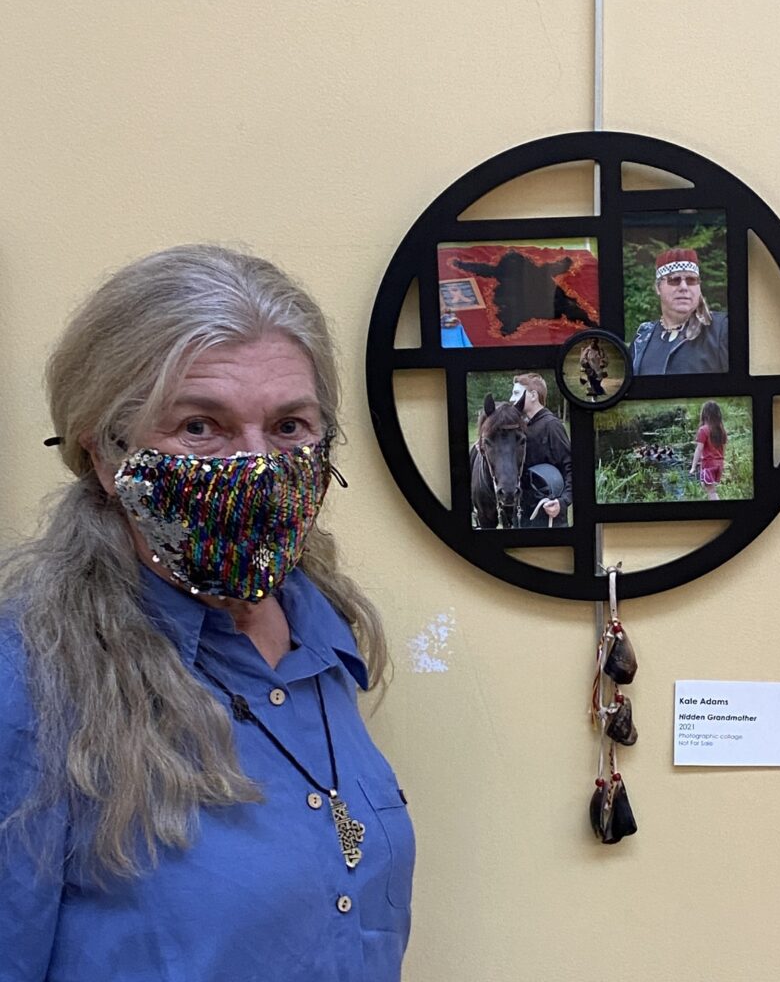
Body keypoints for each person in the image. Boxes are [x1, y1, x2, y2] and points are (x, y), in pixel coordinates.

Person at [0, 245, 414, 981]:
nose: (255, 465)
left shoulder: (323, 634)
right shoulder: (29, 682)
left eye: (290, 427)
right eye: (201, 427)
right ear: (105, 453)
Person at [630, 248, 729, 374]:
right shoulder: (642, 338)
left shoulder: (722, 329)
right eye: (674, 280)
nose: (684, 287)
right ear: (658, 288)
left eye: (691, 280)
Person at [509, 373, 572, 527]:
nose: (511, 399)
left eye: (516, 393)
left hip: (547, 513)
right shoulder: (520, 427)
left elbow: (571, 468)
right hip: (522, 513)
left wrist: (562, 502)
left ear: (533, 395)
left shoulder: (552, 426)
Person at [690, 400, 727, 500]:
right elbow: (723, 448)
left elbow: (699, 449)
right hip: (719, 464)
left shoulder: (703, 430)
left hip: (708, 465)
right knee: (708, 486)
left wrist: (693, 467)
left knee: (711, 491)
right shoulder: (721, 430)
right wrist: (722, 462)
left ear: (705, 414)